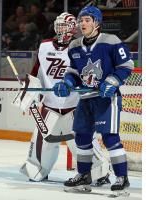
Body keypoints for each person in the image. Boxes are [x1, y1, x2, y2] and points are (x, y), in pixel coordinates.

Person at [18, 12, 111, 185]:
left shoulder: (81, 47)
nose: (60, 29)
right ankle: (37, 167)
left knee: (82, 141)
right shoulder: (45, 46)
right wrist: (28, 93)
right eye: (58, 25)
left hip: (75, 105)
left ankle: (100, 171)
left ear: (72, 28)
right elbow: (36, 72)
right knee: (41, 140)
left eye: (64, 25)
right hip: (49, 104)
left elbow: (91, 73)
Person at [53, 6, 134, 196]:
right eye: (81, 21)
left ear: (97, 23)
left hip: (107, 99)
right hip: (86, 99)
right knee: (81, 136)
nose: (83, 24)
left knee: (110, 138)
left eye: (87, 20)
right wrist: (66, 83)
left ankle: (122, 178)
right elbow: (73, 72)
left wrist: (112, 81)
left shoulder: (111, 41)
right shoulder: (74, 46)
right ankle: (83, 175)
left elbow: (126, 64)